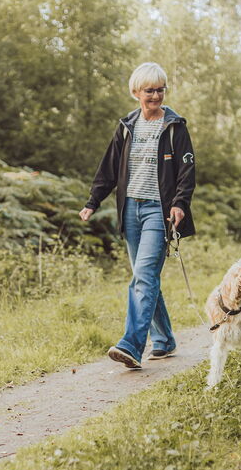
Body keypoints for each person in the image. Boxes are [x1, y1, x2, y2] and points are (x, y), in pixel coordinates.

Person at [79, 62, 195, 369]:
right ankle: (165, 340)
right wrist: (93, 201)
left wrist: (180, 203)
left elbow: (187, 171)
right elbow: (109, 167)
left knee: (143, 276)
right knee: (146, 277)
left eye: (160, 89)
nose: (155, 96)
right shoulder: (126, 126)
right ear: (135, 92)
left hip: (159, 211)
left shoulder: (175, 127)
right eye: (149, 90)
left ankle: (131, 345)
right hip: (130, 209)